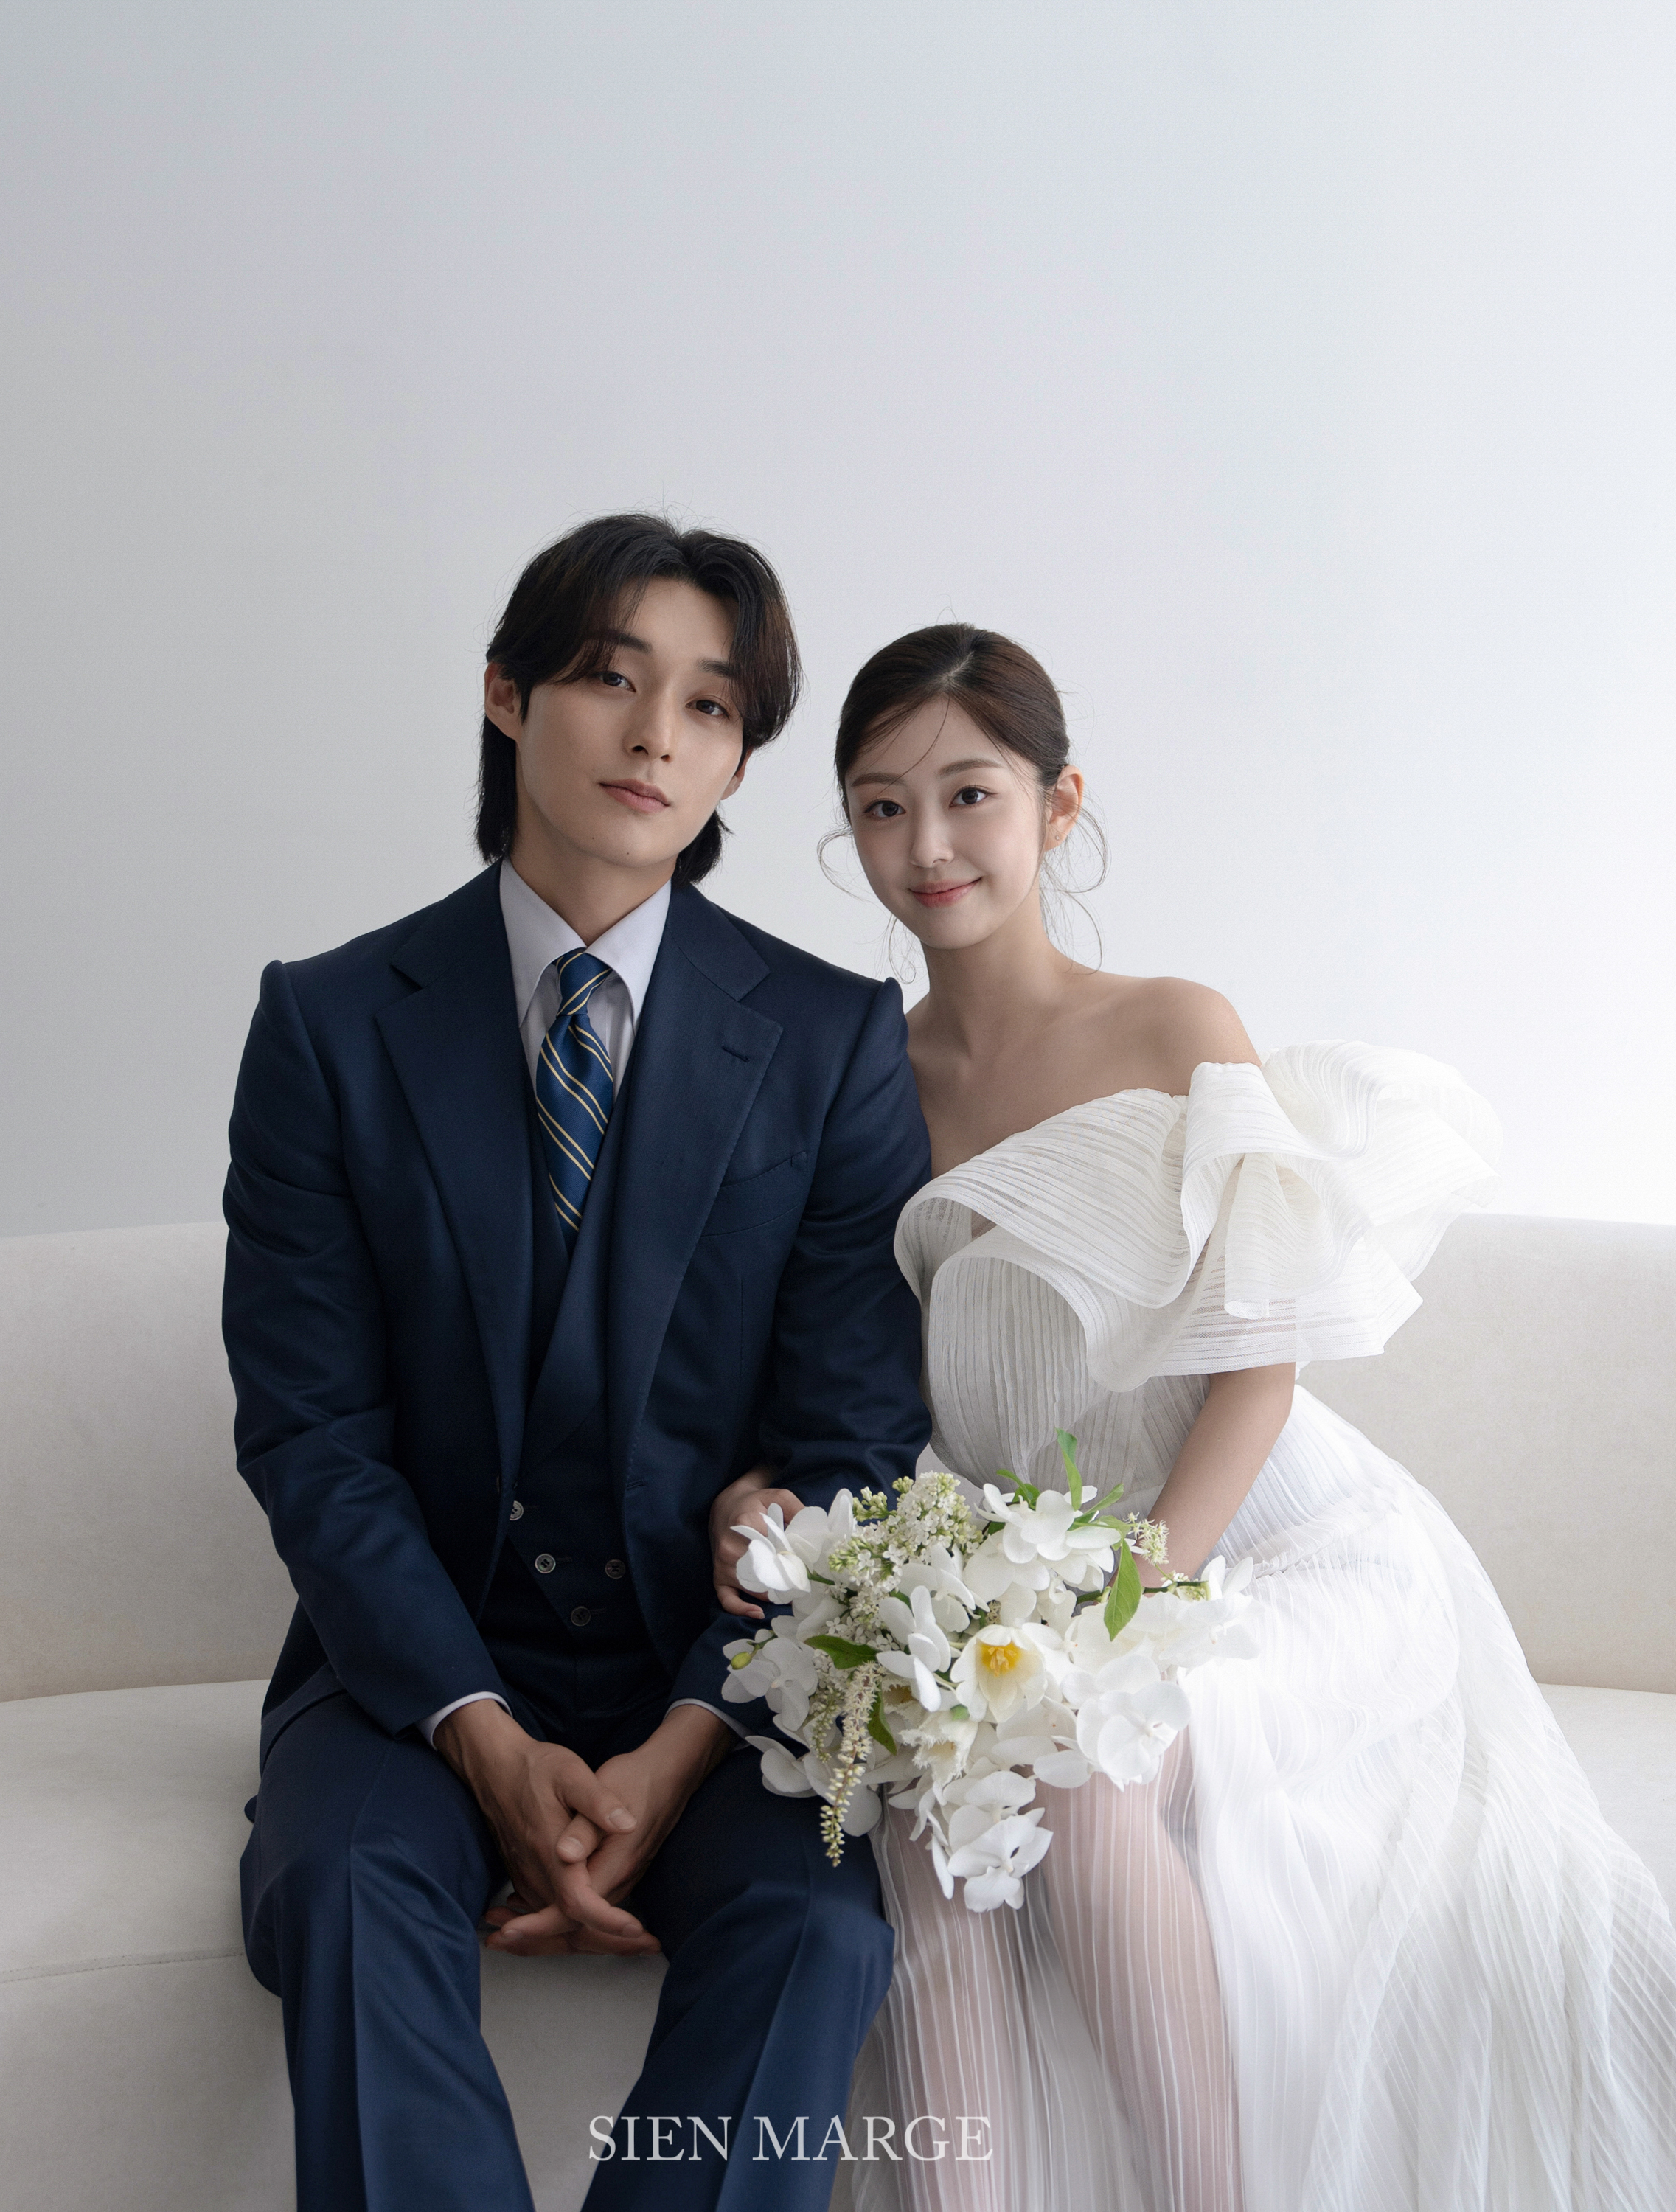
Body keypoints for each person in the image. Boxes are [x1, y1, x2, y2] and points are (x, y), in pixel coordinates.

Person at [712, 624, 1676, 2211]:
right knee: (924, 1811)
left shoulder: (1173, 1025)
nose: (928, 844)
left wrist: (1133, 1602)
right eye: (881, 807)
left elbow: (1261, 1362)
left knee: (1091, 1794)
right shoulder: (871, 1076)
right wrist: (767, 1493)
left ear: (1059, 804)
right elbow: (847, 1368)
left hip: (1266, 1548)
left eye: (970, 795)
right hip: (1025, 1572)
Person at [223, 514, 932, 2212]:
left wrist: (683, 1740)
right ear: (507, 695)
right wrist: (476, 1730)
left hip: (725, 1686)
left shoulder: (832, 1039)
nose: (655, 736)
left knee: (823, 1924)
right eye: (613, 679)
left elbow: (851, 1445)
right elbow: (314, 1437)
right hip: (413, 1679)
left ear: (737, 758)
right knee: (341, 1889)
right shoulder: (330, 1024)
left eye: (710, 706)